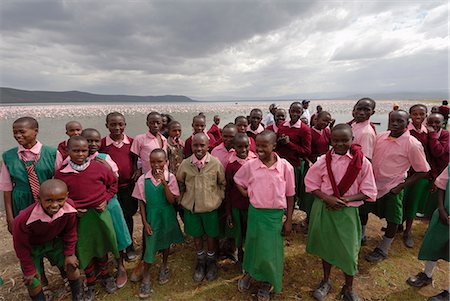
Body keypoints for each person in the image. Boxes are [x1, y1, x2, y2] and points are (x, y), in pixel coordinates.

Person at [305, 124, 377, 301]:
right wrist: (327, 198)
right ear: (331, 141)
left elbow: (368, 191)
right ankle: (326, 280)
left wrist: (346, 200)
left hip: (347, 212)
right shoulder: (323, 161)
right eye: (335, 140)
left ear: (352, 140)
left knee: (349, 250)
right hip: (325, 208)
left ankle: (349, 287)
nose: (339, 144)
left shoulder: (361, 162)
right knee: (326, 246)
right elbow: (311, 184)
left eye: (344, 140)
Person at [55, 136, 119, 300]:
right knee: (84, 248)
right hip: (79, 218)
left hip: (99, 214)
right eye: (75, 150)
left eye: (83, 150)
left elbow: (113, 184)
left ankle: (105, 275)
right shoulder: (62, 173)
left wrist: (106, 199)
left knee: (102, 245)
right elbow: (59, 197)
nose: (80, 154)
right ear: (68, 151)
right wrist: (72, 207)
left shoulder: (98, 167)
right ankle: (90, 280)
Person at [361, 110, 430, 262]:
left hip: (392, 186)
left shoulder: (412, 144)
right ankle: (361, 235)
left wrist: (400, 187)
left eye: (400, 121)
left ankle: (383, 248)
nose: (395, 124)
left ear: (407, 122)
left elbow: (423, 171)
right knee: (363, 211)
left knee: (393, 219)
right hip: (373, 184)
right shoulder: (381, 137)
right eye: (393, 120)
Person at [234, 131, 295, 301]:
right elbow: (238, 179)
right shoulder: (250, 165)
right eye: (257, 145)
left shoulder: (285, 167)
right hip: (256, 213)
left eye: (264, 145)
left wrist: (288, 220)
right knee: (253, 245)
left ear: (274, 146)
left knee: (270, 250)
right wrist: (246, 193)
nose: (259, 149)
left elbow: (290, 195)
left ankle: (267, 281)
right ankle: (250, 273)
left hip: (274, 216)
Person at [13, 179, 82, 301]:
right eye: (49, 200)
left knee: (72, 265)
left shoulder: (69, 209)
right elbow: (20, 246)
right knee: (32, 280)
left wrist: (70, 253)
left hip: (54, 241)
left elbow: (70, 232)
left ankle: (78, 296)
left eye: (60, 200)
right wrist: (29, 269)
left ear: (66, 196)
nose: (55, 205)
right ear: (39, 199)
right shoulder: (23, 219)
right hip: (32, 247)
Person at [83, 128, 132, 289]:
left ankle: (121, 266)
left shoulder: (105, 158)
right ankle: (98, 268)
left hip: (108, 201)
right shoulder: (74, 159)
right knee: (95, 237)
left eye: (96, 141)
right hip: (88, 206)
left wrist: (107, 167)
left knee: (117, 233)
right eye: (88, 141)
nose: (93, 144)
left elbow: (114, 181)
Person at [132, 149, 184, 298]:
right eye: (153, 162)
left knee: (166, 241)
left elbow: (171, 200)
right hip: (152, 217)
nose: (156, 165)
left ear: (166, 162)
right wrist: (144, 222)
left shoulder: (170, 177)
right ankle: (146, 274)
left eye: (160, 161)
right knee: (150, 245)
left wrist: (164, 183)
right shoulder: (143, 179)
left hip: (167, 215)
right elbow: (141, 202)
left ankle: (164, 265)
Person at [1, 117, 63, 235]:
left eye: (22, 131)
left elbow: (61, 181)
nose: (18, 135)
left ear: (35, 131)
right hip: (20, 201)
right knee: (25, 233)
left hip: (48, 200)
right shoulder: (8, 157)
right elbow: (7, 189)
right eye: (15, 132)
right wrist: (9, 217)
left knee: (49, 232)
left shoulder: (52, 153)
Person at [176, 133, 226, 282]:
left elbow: (222, 183)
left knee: (211, 235)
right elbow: (180, 183)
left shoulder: (215, 163)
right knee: (196, 235)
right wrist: (182, 199)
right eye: (195, 145)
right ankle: (200, 260)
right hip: (192, 209)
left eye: (202, 145)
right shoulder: (185, 164)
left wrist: (219, 198)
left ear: (208, 146)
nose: (198, 148)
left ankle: (211, 261)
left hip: (210, 208)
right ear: (191, 146)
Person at [406, 165, 449, 301]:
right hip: (444, 216)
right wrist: (441, 208)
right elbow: (442, 185)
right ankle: (427, 274)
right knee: (434, 245)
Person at [100, 112, 139, 261]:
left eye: (120, 124)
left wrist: (138, 171)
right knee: (114, 217)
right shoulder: (102, 144)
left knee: (128, 216)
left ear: (125, 125)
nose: (117, 128)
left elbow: (137, 160)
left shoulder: (132, 142)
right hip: (110, 189)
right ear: (107, 126)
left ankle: (129, 246)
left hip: (128, 186)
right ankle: (117, 247)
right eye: (113, 124)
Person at [224, 133, 256, 264]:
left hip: (253, 205)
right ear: (234, 147)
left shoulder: (255, 161)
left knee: (251, 232)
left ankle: (251, 256)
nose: (243, 150)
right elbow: (228, 189)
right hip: (237, 205)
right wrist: (229, 212)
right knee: (238, 233)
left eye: (246, 146)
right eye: (239, 147)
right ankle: (240, 255)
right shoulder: (231, 165)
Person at [276, 102, 311, 220]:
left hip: (294, 166)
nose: (295, 114)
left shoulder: (304, 129)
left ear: (302, 113)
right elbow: (276, 145)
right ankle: (281, 212)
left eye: (298, 112)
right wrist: (280, 143)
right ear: (289, 111)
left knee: (291, 192)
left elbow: (306, 151)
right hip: (280, 164)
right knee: (280, 190)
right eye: (293, 111)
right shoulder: (282, 126)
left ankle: (289, 217)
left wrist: (289, 143)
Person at [401, 104, 430, 248]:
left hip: (420, 174)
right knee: (402, 199)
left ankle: (408, 231)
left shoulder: (427, 132)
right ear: (410, 115)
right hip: (406, 172)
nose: (418, 117)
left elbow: (429, 154)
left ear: (426, 115)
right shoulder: (406, 131)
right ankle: (398, 225)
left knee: (413, 202)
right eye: (414, 114)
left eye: (421, 114)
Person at [421, 113, 450, 217]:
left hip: (442, 168)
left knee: (439, 191)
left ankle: (436, 213)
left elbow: (438, 151)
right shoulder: (425, 133)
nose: (433, 125)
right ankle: (427, 212)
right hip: (431, 168)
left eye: (437, 122)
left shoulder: (445, 135)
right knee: (430, 191)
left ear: (443, 124)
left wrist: (432, 135)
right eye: (430, 122)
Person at [131, 111, 167, 176]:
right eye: (152, 123)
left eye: (158, 123)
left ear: (162, 124)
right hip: (147, 176)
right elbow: (134, 158)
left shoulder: (164, 139)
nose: (155, 125)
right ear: (147, 124)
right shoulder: (139, 139)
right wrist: (137, 170)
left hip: (163, 175)